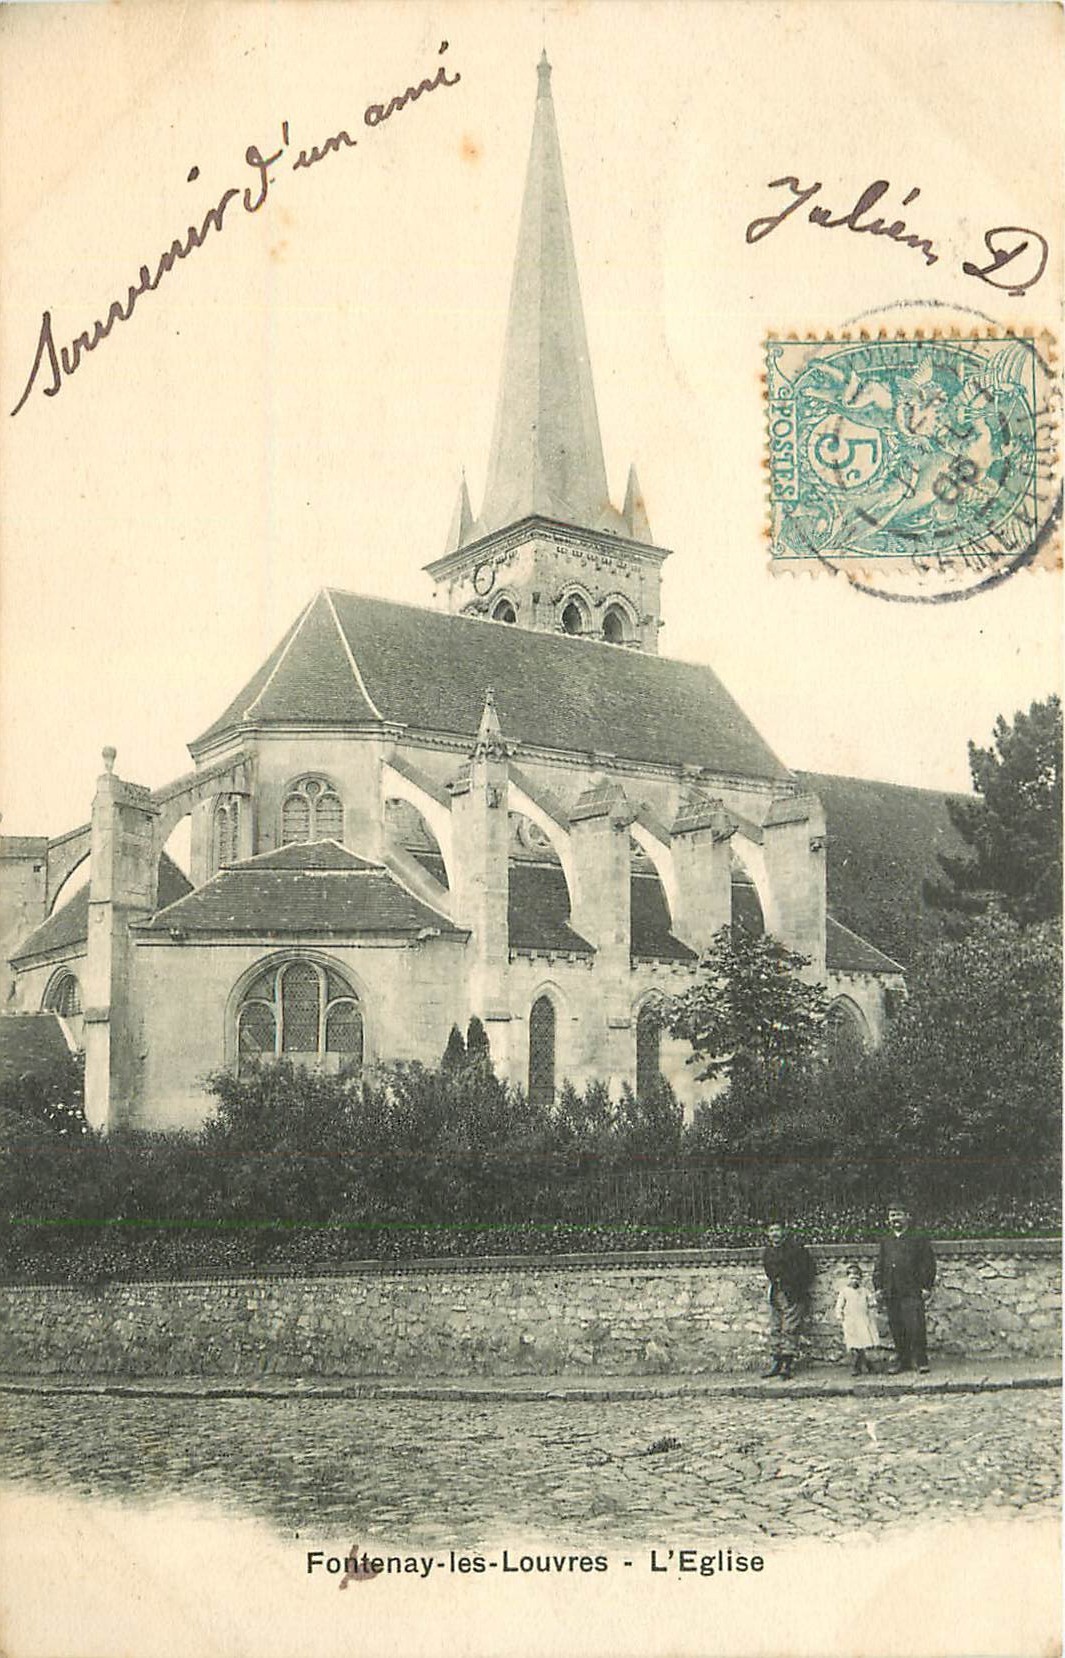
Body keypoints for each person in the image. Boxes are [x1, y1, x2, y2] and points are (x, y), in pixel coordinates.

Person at [873, 1203, 936, 1373]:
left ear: (908, 1216)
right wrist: (878, 1286)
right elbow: (880, 1265)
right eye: (892, 1215)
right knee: (896, 1326)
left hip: (912, 1289)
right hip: (891, 1290)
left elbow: (928, 1263)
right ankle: (903, 1360)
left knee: (915, 1326)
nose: (895, 1219)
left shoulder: (918, 1238)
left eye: (898, 1214)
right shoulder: (886, 1241)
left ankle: (921, 1360)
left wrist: (926, 1286)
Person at [761, 1222, 815, 1380]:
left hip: (793, 1294)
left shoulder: (796, 1249)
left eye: (777, 1229)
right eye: (771, 1230)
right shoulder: (768, 1252)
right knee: (776, 1328)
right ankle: (776, 1363)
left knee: (790, 1329)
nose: (774, 1233)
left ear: (784, 1231)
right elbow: (769, 1272)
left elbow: (809, 1270)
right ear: (767, 1233)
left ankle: (787, 1364)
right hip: (777, 1294)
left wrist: (797, 1286)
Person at [834, 1261, 880, 1376]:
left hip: (863, 1320)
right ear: (847, 1278)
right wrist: (840, 1315)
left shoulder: (864, 1291)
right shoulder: (844, 1292)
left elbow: (871, 1302)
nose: (854, 1281)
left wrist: (873, 1305)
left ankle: (865, 1364)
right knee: (855, 1344)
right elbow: (839, 1305)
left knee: (863, 1343)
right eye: (852, 1278)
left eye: (857, 1278)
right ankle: (858, 1366)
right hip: (851, 1321)